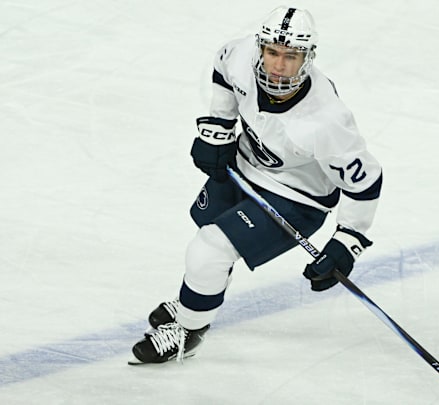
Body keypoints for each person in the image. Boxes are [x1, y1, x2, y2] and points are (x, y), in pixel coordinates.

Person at [129, 6, 383, 364]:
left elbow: (365, 181)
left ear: (308, 58)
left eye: (291, 56)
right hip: (244, 166)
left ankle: (189, 329)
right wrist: (219, 128)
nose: (279, 65)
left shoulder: (326, 121)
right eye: (273, 53)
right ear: (262, 48)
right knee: (207, 239)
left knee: (210, 249)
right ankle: (197, 300)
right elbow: (222, 67)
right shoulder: (242, 55)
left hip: (297, 197)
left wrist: (349, 240)